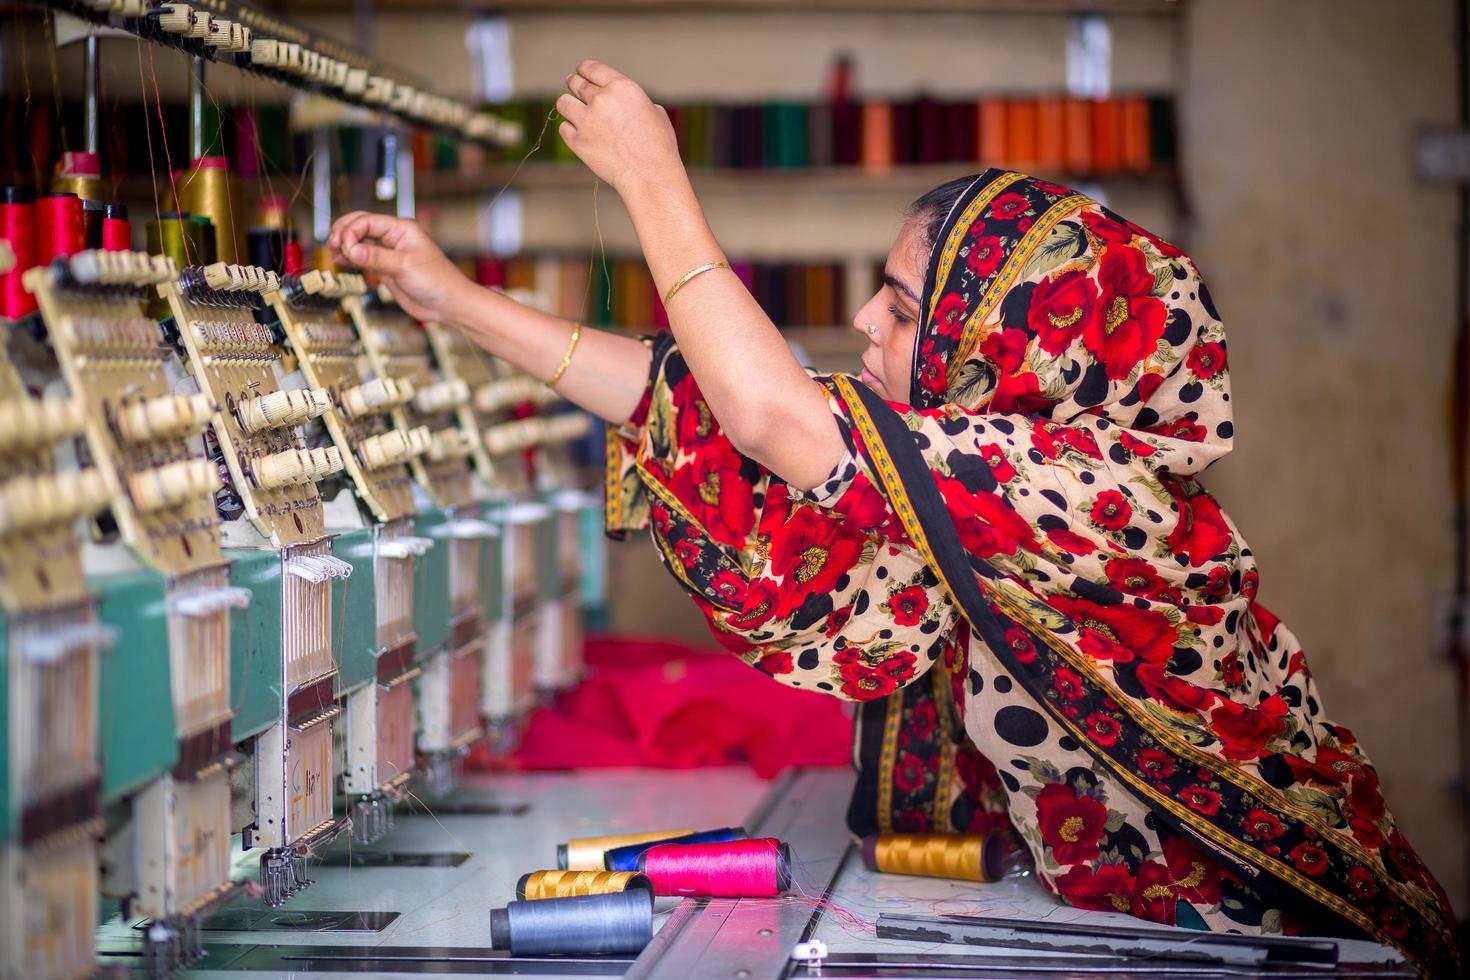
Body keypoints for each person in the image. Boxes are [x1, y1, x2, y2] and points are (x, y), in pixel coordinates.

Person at [329, 61, 1458, 975]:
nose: (867, 320)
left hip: (1305, 941)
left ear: (995, 348)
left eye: (903, 305)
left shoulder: (1076, 494)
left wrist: (654, 183)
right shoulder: (974, 493)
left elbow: (771, 417)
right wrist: (453, 301)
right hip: (1175, 930)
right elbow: (698, 406)